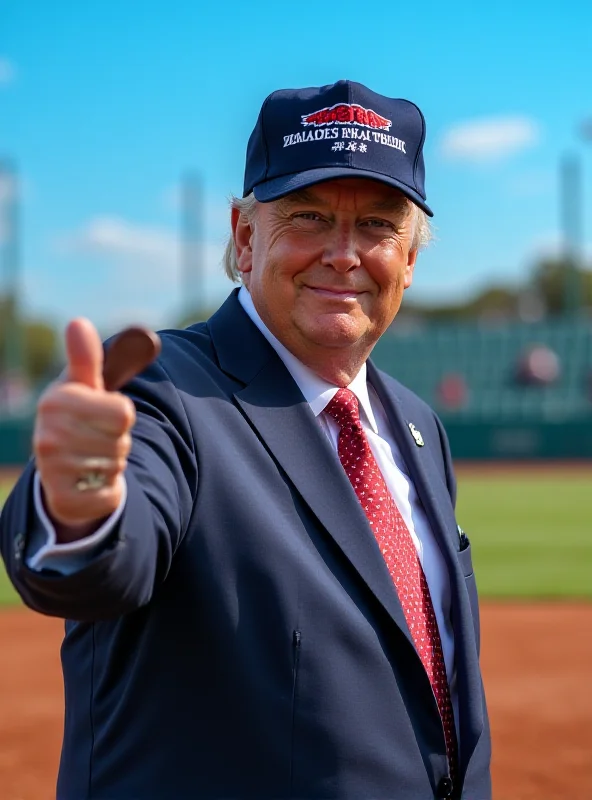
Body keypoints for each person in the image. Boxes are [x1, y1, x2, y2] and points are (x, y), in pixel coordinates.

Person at [0, 79, 491, 799]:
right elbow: (100, 565)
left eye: (380, 225)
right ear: (244, 236)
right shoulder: (164, 389)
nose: (344, 253)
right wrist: (81, 500)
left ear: (411, 260)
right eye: (308, 216)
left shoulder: (418, 426)